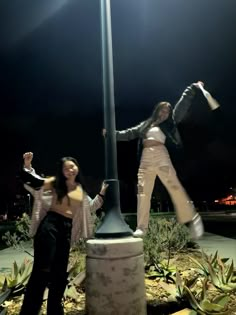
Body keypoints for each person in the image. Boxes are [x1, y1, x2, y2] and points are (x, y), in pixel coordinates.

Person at [113, 81, 208, 238]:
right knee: (143, 193)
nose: (164, 113)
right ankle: (142, 228)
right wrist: (111, 134)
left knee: (174, 186)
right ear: (157, 111)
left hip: (161, 155)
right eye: (162, 110)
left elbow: (182, 105)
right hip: (145, 159)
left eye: (167, 111)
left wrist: (191, 89)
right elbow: (129, 133)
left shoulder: (170, 123)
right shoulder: (146, 125)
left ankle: (191, 218)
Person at [19, 152, 108, 315]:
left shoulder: (80, 191)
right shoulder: (55, 183)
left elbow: (92, 206)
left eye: (72, 166)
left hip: (66, 230)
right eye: (66, 168)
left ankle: (55, 310)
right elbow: (35, 181)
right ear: (61, 171)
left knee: (59, 274)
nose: (70, 170)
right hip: (50, 227)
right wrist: (27, 166)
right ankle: (29, 311)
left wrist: (102, 191)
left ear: (77, 168)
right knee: (42, 270)